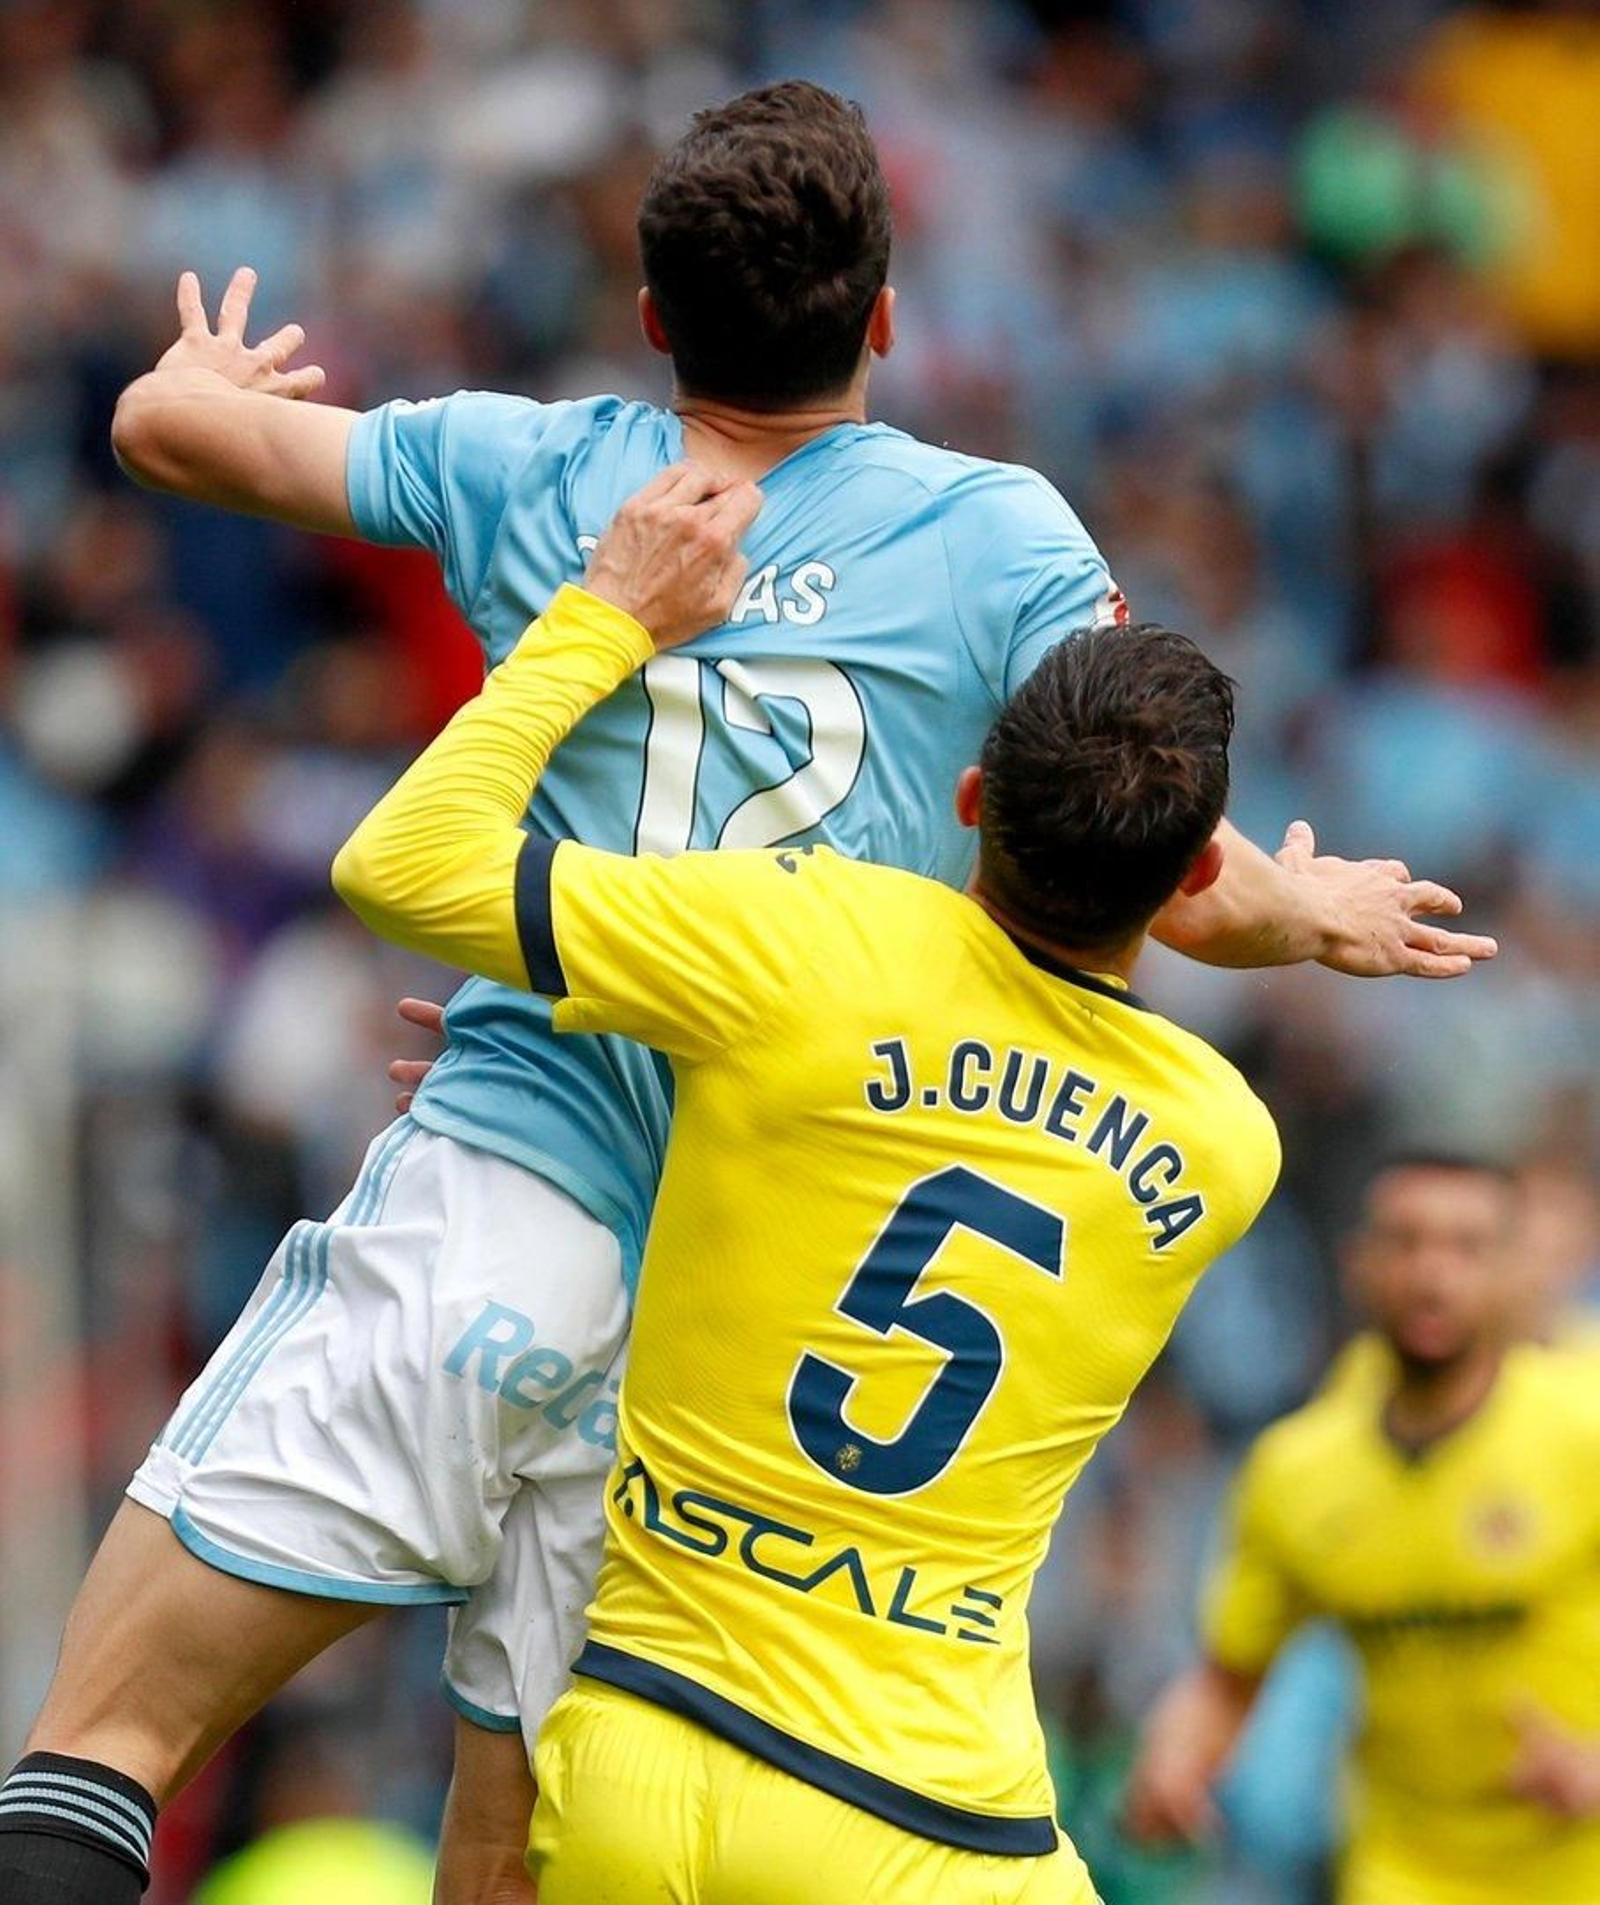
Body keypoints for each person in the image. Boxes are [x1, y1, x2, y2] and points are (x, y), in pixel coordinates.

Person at [0, 81, 1494, 1905]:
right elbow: (1150, 849)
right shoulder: (996, 536)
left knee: (101, 1752)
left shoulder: (537, 465)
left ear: (648, 324)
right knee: (515, 1848)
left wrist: (200, 381)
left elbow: (167, 436)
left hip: (510, 1169)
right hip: (738, 1291)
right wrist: (1314, 910)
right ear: (883, 311)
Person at [327, 461, 1282, 1900]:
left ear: (970, 799)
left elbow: (404, 864)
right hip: (935, 1813)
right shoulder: (1226, 1145)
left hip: (643, 1763)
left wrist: (594, 627)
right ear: (1200, 869)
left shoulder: (796, 946)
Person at [1126, 1155, 1600, 1905]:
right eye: (1405, 1242)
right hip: (1401, 1872)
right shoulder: (1298, 1471)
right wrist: (1176, 1756)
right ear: (1358, 1265)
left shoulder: (1585, 1431)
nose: (1432, 1274)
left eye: (1467, 1246)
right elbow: (1230, 1674)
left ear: (1516, 1272)